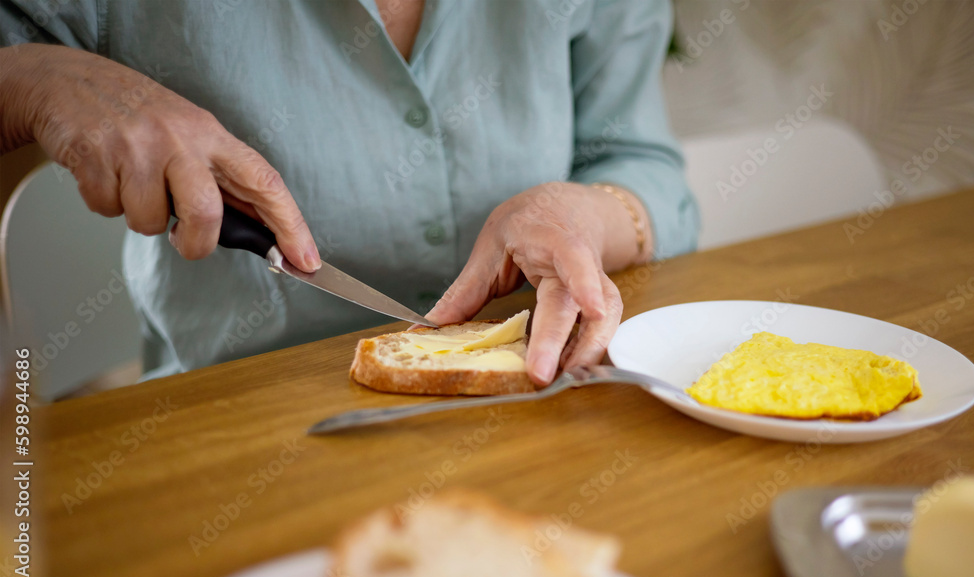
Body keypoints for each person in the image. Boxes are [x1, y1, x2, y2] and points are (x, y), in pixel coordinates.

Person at [0, 0, 698, 385]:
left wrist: (585, 215)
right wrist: (36, 82)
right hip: (234, 430)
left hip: (537, 413)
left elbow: (642, 166)